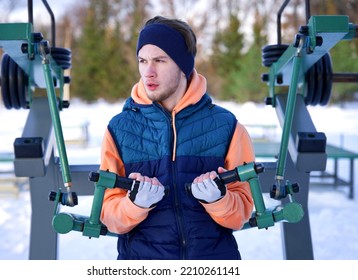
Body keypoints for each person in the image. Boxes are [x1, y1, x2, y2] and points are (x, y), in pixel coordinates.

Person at [100, 15, 255, 260]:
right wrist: (135, 204)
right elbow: (110, 217)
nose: (148, 72)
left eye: (160, 60)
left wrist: (219, 199)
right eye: (142, 61)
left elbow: (241, 214)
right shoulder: (119, 129)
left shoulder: (227, 127)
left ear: (183, 65)